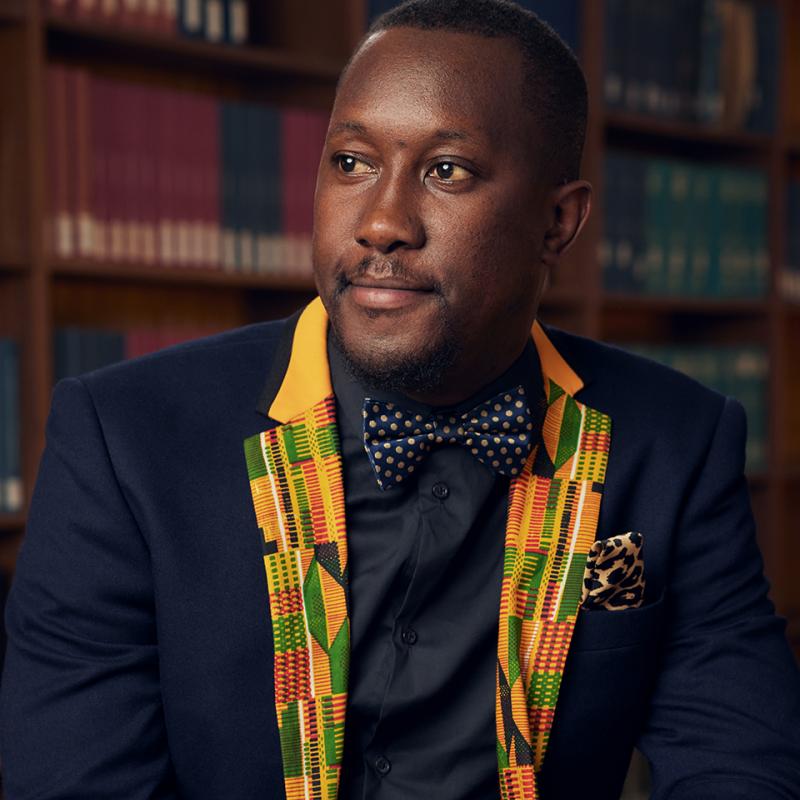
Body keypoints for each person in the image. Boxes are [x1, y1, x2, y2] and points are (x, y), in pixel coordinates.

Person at [2, 0, 799, 798]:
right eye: (351, 162)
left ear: (558, 223)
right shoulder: (123, 439)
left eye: (446, 170)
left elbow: (738, 766)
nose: (380, 223)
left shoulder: (677, 443)